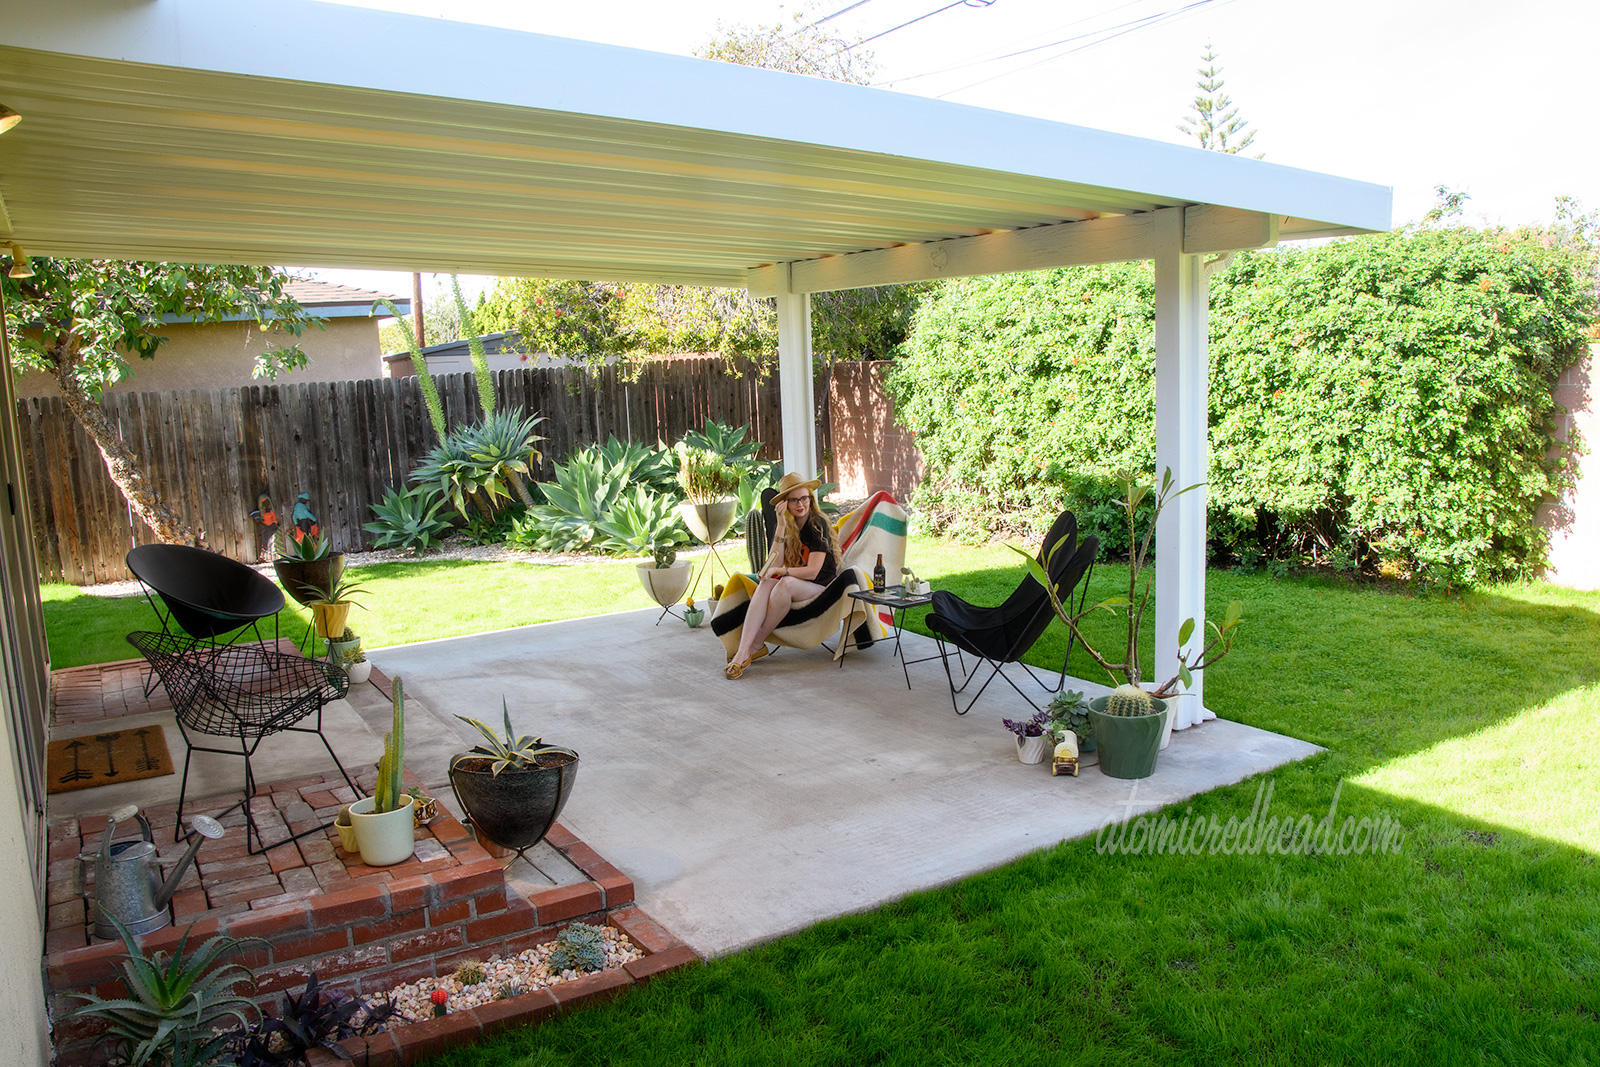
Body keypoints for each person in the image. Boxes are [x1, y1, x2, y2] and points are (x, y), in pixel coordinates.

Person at [725, 472, 841, 679]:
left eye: (804, 498)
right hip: (798, 583)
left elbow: (813, 571)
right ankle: (745, 649)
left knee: (784, 584)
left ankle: (757, 642)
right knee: (769, 582)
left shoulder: (817, 525)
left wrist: (782, 571)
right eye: (794, 499)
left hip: (822, 587)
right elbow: (775, 562)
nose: (800, 504)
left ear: (810, 499)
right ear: (785, 504)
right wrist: (780, 526)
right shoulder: (788, 525)